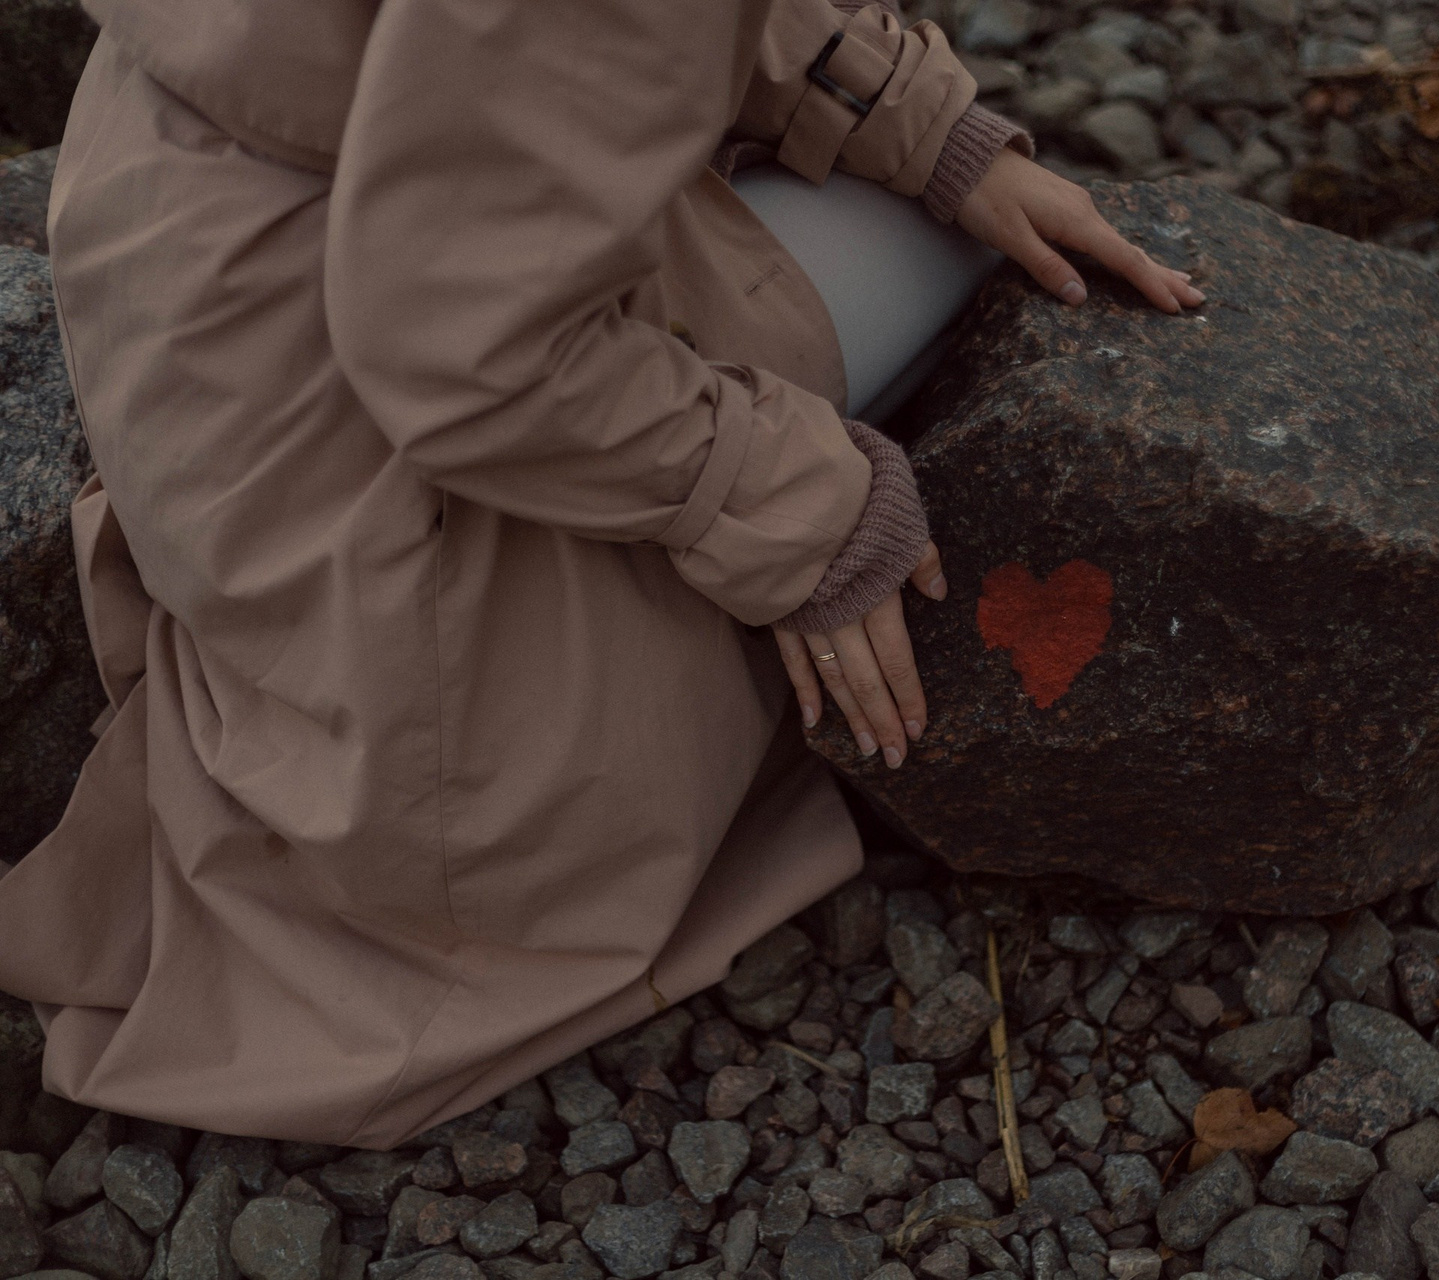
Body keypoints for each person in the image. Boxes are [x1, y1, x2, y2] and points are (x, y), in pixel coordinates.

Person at [0, 0, 1201, 1147]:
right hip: (386, 441)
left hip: (194, 286)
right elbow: (464, 354)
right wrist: (801, 508)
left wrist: (908, 116)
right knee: (943, 248)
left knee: (902, 206)